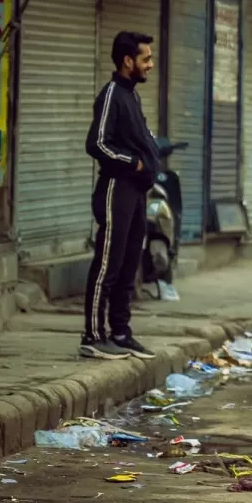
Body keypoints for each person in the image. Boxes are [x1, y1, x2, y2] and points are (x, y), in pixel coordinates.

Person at [80, 31, 161, 361]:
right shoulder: (112, 94)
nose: (151, 65)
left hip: (136, 192)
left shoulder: (132, 96)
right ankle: (93, 336)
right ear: (128, 61)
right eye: (145, 59)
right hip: (116, 189)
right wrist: (136, 162)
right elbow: (96, 144)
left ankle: (121, 332)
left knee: (129, 265)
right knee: (108, 265)